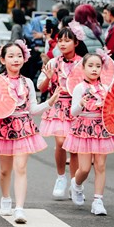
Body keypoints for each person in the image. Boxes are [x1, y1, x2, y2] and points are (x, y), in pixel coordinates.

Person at [0, 41, 60, 224]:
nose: (15, 59)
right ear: (3, 60)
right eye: (11, 56)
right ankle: (6, 197)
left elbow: (33, 109)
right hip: (3, 127)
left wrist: (50, 102)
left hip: (24, 127)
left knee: (21, 168)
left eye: (19, 56)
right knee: (4, 170)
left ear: (24, 59)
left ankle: (19, 208)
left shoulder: (28, 82)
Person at [64, 52, 114, 216]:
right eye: (90, 66)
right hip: (84, 129)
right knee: (85, 168)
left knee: (100, 166)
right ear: (83, 68)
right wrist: (80, 104)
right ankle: (76, 184)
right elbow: (73, 112)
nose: (94, 69)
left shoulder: (106, 88)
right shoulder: (79, 88)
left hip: (102, 129)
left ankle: (98, 201)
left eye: (98, 66)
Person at [37, 21, 87, 199]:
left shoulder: (83, 63)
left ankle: (74, 183)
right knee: (60, 142)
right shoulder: (53, 62)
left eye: (67, 40)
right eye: (60, 40)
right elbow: (41, 88)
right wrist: (48, 78)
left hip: (76, 107)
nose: (63, 44)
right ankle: (60, 177)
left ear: (76, 43)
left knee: (73, 148)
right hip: (58, 106)